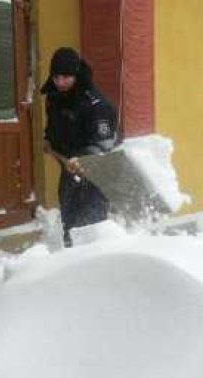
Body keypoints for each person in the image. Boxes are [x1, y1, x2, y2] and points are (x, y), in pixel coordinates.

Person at [41, 47, 118, 246]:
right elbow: (53, 125)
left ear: (76, 73)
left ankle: (94, 260)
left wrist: (85, 158)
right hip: (69, 169)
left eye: (66, 77)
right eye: (56, 77)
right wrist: (49, 139)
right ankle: (71, 255)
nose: (60, 82)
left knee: (92, 222)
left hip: (93, 173)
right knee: (70, 216)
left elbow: (103, 144)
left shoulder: (95, 104)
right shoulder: (54, 96)